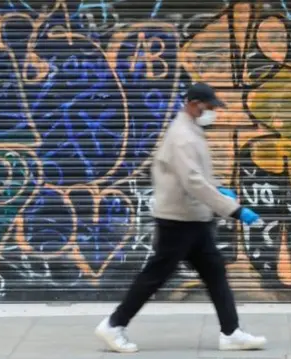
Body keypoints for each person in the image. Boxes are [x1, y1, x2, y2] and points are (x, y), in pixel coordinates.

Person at [94, 82, 267, 353]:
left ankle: (231, 332)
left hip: (194, 219)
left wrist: (217, 189)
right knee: (155, 277)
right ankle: (114, 325)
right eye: (209, 107)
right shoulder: (182, 136)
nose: (212, 112)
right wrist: (232, 209)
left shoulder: (191, 130)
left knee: (215, 274)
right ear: (195, 103)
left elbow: (196, 176)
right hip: (178, 221)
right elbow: (193, 181)